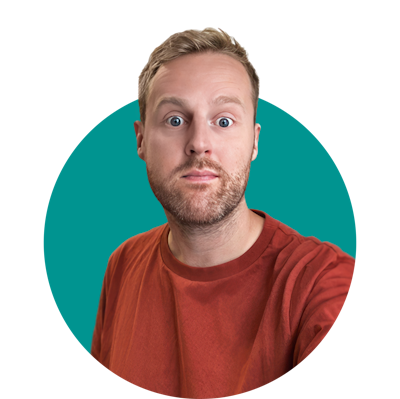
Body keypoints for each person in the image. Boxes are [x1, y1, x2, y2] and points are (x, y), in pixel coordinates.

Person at [91, 27, 355, 398]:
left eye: (224, 121)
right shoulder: (122, 264)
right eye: (175, 120)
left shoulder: (321, 283)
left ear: (254, 141)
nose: (199, 143)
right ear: (141, 140)